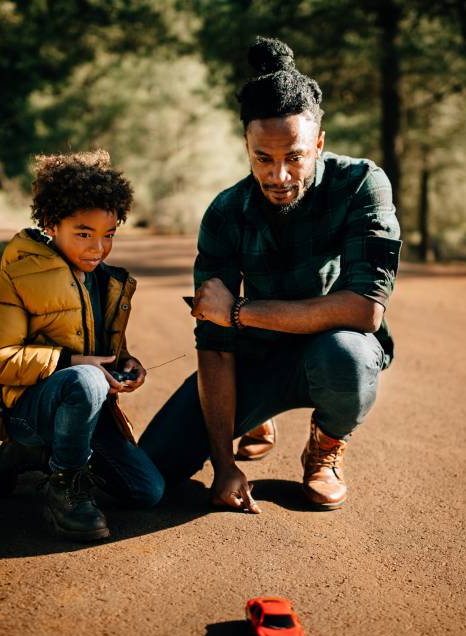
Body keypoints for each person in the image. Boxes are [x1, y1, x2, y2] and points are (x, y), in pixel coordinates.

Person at [140, 37, 401, 513]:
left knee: (347, 355)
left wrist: (238, 311)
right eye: (263, 158)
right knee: (151, 468)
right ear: (246, 145)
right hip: (254, 357)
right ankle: (255, 418)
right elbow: (215, 346)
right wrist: (222, 464)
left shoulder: (362, 185)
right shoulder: (225, 213)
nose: (279, 175)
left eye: (295, 157)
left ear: (319, 142)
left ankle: (324, 447)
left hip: (330, 349)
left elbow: (364, 310)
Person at [0, 150, 164, 542]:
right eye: (84, 234)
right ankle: (64, 485)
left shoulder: (108, 281)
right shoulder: (15, 278)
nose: (98, 248)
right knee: (87, 381)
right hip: (27, 412)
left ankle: (36, 457)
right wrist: (75, 363)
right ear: (50, 223)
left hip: (83, 408)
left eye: (108, 235)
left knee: (148, 491)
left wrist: (125, 362)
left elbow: (104, 348)